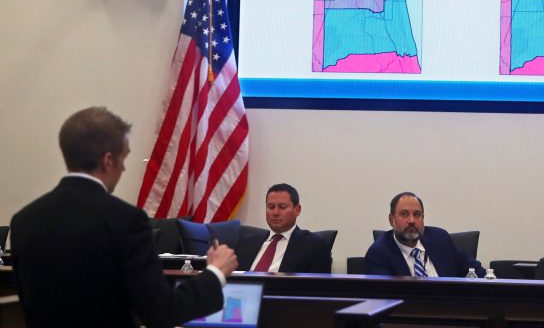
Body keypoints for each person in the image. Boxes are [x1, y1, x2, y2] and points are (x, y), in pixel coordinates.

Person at [10, 107, 238, 328]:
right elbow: (161, 312)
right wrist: (215, 272)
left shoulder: (24, 220)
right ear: (108, 161)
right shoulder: (126, 220)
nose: (124, 168)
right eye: (124, 157)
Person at [364, 192, 485, 277]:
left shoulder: (440, 238)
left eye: (417, 214)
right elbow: (384, 298)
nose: (411, 220)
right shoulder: (379, 253)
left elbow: (475, 271)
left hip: (452, 310)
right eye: (404, 214)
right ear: (391, 220)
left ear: (423, 218)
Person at [237, 183, 331, 272]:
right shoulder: (248, 242)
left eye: (282, 207)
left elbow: (319, 287)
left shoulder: (315, 246)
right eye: (271, 207)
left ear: (297, 210)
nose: (275, 213)